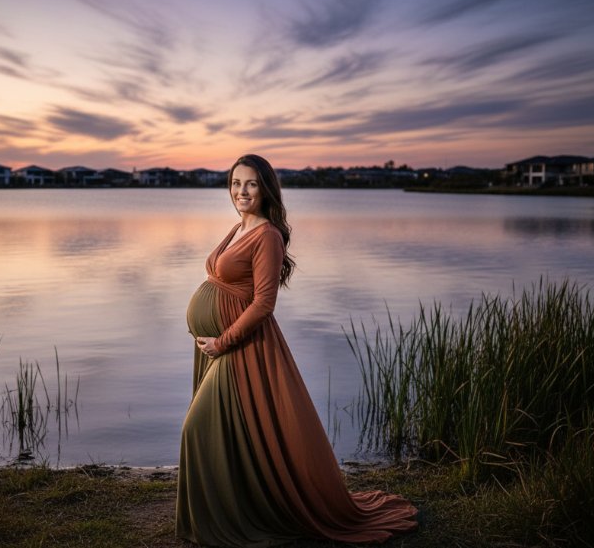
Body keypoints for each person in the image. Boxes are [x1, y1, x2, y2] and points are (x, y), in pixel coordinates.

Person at [176, 154, 418, 547]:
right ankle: (230, 508)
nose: (241, 191)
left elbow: (263, 304)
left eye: (251, 184)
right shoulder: (238, 227)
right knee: (226, 432)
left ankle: (226, 520)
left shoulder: (267, 235)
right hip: (217, 346)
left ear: (266, 188)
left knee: (196, 427)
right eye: (236, 183)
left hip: (240, 348)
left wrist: (222, 341)